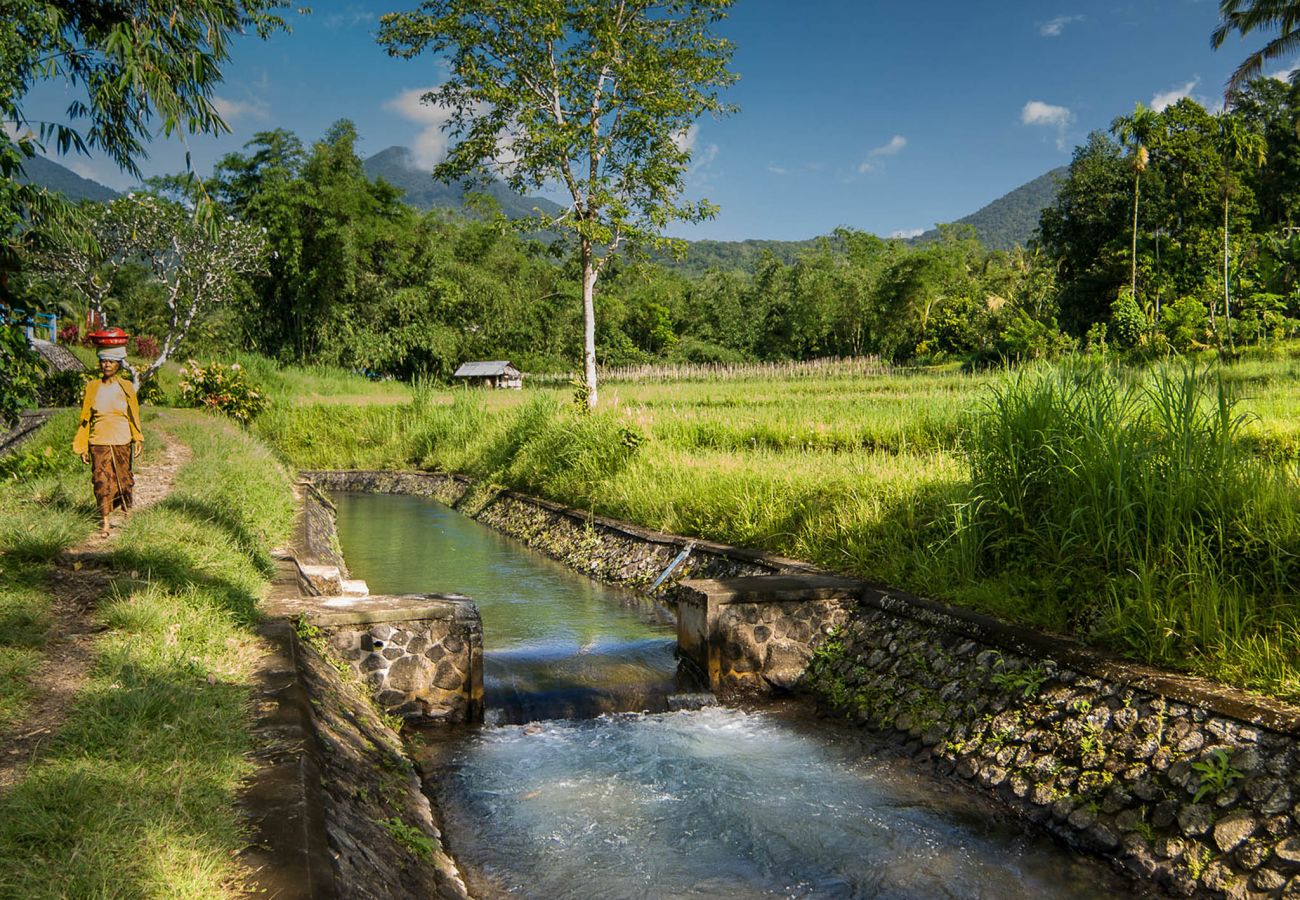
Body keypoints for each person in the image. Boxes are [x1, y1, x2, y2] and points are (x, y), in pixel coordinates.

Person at [72, 346, 143, 537]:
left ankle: (127, 511)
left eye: (111, 361)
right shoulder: (92, 387)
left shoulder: (126, 386)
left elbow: (133, 415)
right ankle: (105, 522)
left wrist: (137, 438)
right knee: (101, 481)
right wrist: (83, 445)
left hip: (122, 440)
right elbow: (85, 418)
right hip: (98, 441)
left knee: (124, 480)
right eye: (104, 361)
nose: (107, 365)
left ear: (118, 364)